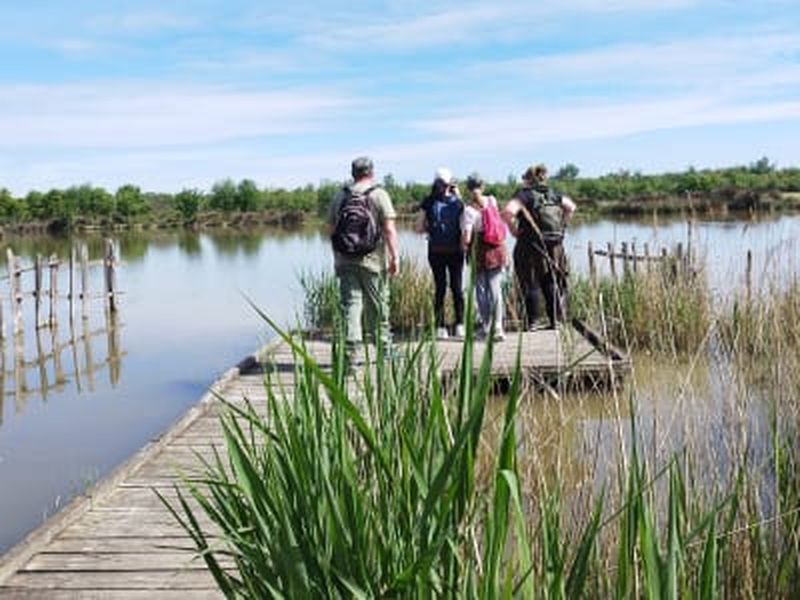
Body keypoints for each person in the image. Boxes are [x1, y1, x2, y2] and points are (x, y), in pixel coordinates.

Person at [328, 156, 399, 359]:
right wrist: (395, 258)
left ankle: (351, 352)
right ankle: (384, 349)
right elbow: (389, 230)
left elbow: (332, 231)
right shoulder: (379, 195)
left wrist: (337, 258)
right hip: (374, 261)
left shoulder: (339, 197)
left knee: (351, 304)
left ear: (353, 174)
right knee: (378, 305)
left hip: (345, 259)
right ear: (371, 172)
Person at [502, 164, 576, 330]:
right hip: (555, 245)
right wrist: (563, 226)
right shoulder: (554, 194)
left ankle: (532, 321)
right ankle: (555, 320)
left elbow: (507, 212)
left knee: (530, 281)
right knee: (551, 280)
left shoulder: (524, 195)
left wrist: (514, 231)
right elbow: (571, 207)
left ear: (528, 179)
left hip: (530, 244)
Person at [416, 167, 464, 339]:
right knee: (457, 288)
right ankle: (460, 325)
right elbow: (466, 221)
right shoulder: (457, 202)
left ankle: (440, 328)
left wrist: (430, 228)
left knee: (440, 289)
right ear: (450, 183)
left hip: (436, 251)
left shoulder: (428, 202)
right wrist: (457, 193)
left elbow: (418, 228)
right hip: (456, 252)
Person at [461, 172, 508, 340]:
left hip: (479, 251)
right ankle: (498, 328)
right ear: (483, 186)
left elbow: (467, 238)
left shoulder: (468, 211)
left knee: (481, 290)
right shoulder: (492, 200)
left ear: (468, 189)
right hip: (496, 248)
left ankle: (486, 327)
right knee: (496, 289)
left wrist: (463, 247)